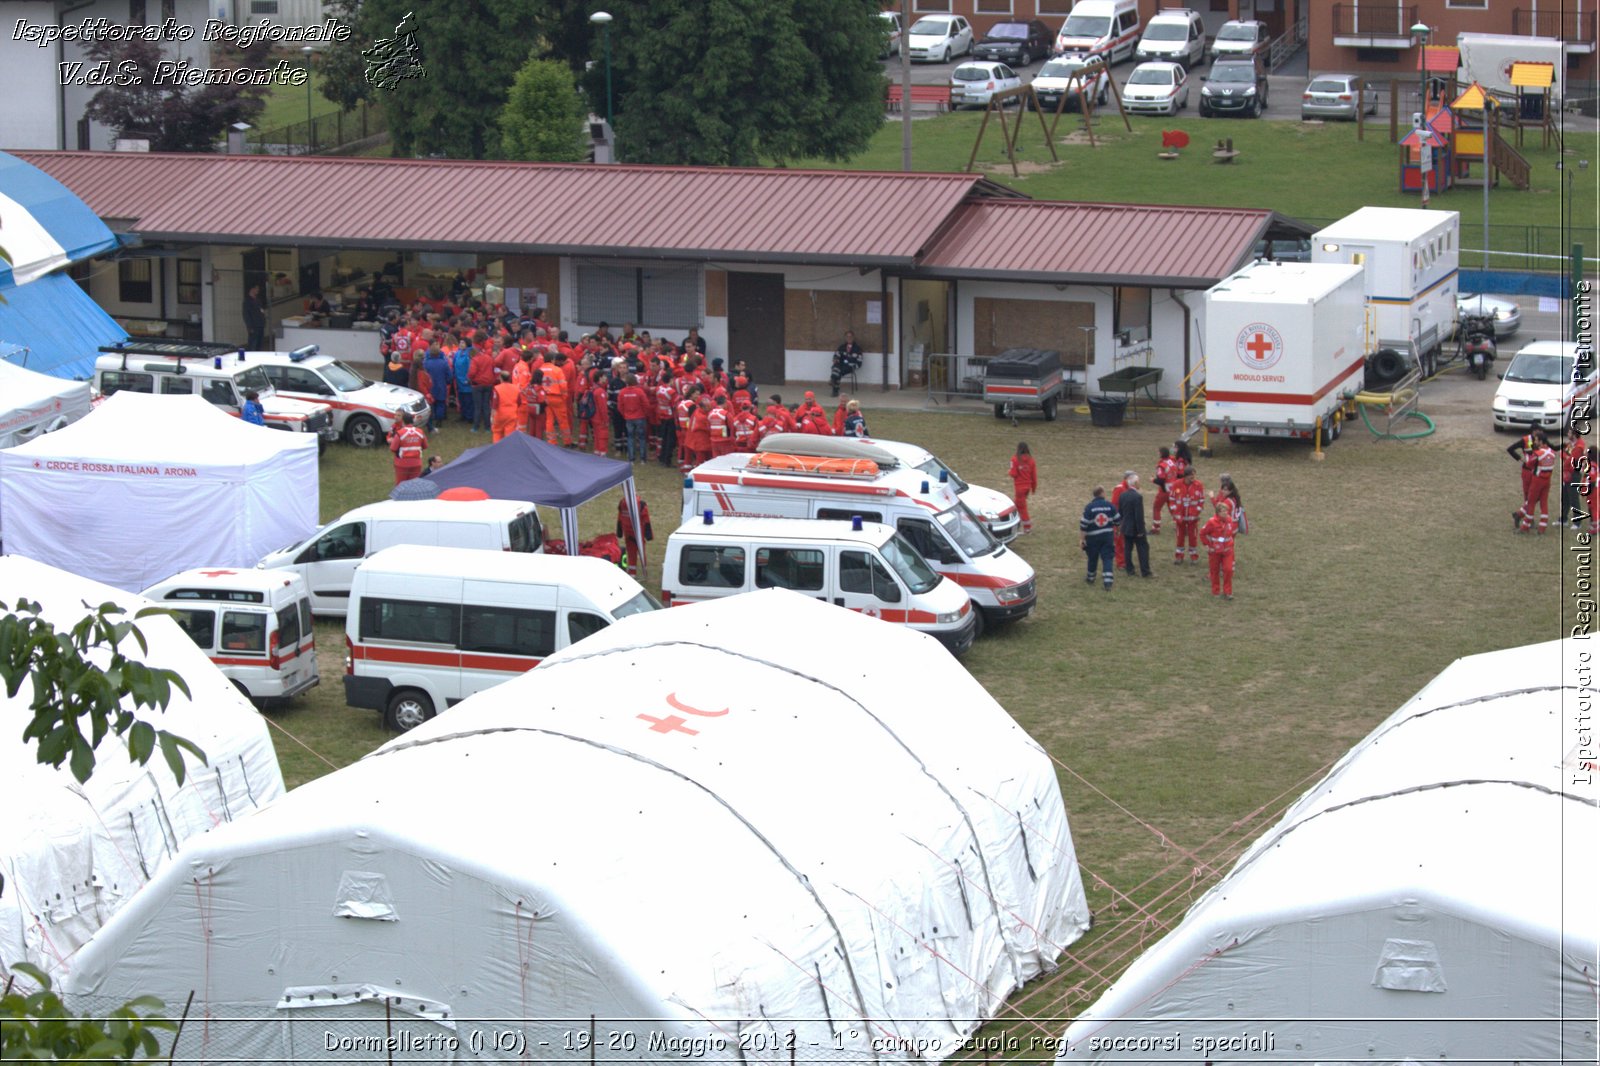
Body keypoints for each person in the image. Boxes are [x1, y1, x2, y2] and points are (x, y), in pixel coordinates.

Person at [1516, 433, 1558, 533]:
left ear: (1540, 442)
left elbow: (1529, 464)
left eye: (1536, 440)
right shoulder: (1552, 452)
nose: (1535, 442)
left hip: (1537, 480)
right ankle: (1542, 527)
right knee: (1544, 503)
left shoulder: (1538, 453)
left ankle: (1525, 527)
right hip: (1547, 481)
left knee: (1531, 502)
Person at [1080, 485, 1118, 591]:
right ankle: (1108, 581)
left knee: (1092, 557)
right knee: (1107, 558)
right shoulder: (1110, 506)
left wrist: (1082, 539)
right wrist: (1117, 531)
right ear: (1102, 493)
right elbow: (1118, 520)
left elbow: (1083, 525)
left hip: (1092, 538)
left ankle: (1090, 578)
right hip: (1107, 537)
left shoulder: (1089, 507)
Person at [1202, 499, 1239, 599]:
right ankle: (1216, 591)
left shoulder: (1230, 520)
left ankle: (1228, 592)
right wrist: (1207, 546)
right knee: (1214, 571)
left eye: (1226, 511)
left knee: (1228, 570)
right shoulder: (1211, 522)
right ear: (1218, 513)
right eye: (1223, 511)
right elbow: (1203, 534)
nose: (1226, 513)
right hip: (1215, 551)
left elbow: (1231, 533)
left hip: (1227, 550)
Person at [1118, 473, 1152, 578]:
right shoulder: (1137, 497)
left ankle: (1130, 570)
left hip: (1126, 527)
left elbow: (1120, 512)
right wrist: (1141, 531)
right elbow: (1139, 516)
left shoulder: (1122, 495)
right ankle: (1145, 571)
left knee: (1128, 549)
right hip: (1136, 529)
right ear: (1136, 482)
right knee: (1143, 549)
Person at [1170, 466, 1205, 564]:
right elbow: (1172, 499)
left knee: (1193, 537)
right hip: (1179, 517)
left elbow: (1201, 500)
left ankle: (1194, 557)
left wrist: (1197, 512)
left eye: (1194, 475)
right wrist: (1175, 512)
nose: (1193, 477)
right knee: (1179, 537)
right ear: (1186, 476)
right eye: (1191, 475)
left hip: (1193, 518)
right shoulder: (1176, 484)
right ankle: (1179, 556)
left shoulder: (1199, 485)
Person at [616, 373, 651, 462]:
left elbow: (620, 406)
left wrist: (625, 414)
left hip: (629, 418)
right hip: (640, 417)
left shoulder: (622, 392)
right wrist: (645, 413)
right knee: (642, 438)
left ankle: (631, 458)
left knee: (630, 438)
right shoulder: (639, 391)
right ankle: (643, 459)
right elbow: (646, 404)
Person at [617, 494, 653, 577]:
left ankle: (632, 572)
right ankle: (644, 569)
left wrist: (619, 532)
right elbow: (646, 519)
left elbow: (619, 518)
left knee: (631, 552)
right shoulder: (641, 504)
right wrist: (649, 535)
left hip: (628, 533)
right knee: (641, 551)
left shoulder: (622, 504)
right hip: (639, 533)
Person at [388, 412, 427, 484]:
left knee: (401, 485)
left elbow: (393, 448)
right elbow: (425, 446)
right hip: (416, 463)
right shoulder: (420, 432)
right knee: (414, 485)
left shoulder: (400, 433)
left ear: (403, 421)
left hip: (401, 463)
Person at [1508, 429, 1546, 503]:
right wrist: (1521, 459)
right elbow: (1510, 449)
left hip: (1537, 470)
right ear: (1534, 432)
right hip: (1528, 470)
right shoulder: (1525, 440)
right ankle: (1527, 509)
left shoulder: (1541, 441)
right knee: (1528, 493)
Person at [1008, 442, 1037, 535]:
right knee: (1016, 506)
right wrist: (1033, 488)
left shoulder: (1015, 459)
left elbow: (1014, 474)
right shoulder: (1031, 460)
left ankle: (1027, 528)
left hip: (1019, 488)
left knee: (1022, 508)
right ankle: (1015, 524)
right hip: (1027, 487)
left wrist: (1009, 471)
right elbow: (1034, 476)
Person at [468, 342, 497, 433]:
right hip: (488, 384)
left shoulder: (475, 360)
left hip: (478, 384)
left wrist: (470, 378)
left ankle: (476, 427)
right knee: (486, 406)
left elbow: (472, 373)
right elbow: (494, 369)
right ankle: (487, 427)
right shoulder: (489, 358)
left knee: (477, 407)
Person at [1562, 435, 1589, 528]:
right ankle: (1563, 519)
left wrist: (1565, 457)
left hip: (1574, 474)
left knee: (1574, 498)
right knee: (1565, 497)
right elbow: (1563, 454)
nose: (1568, 434)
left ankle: (1577, 522)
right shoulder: (1571, 444)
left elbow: (1570, 460)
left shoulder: (1578, 447)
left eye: (1569, 433)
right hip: (1568, 473)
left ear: (1574, 434)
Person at [1110, 471, 1134, 570]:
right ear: (1127, 478)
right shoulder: (1119, 488)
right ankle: (1120, 563)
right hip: (1120, 520)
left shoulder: (1130, 488)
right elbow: (1114, 505)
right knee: (1119, 541)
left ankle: (1125, 560)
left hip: (1127, 519)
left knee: (1125, 541)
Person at [1151, 445, 1177, 535]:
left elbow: (1161, 480)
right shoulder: (1172, 461)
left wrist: (1153, 480)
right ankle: (1179, 526)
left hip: (1164, 490)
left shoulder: (1162, 465)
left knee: (1156, 508)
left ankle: (1156, 528)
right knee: (1172, 508)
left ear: (1161, 453)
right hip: (1173, 489)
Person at [831, 331, 864, 396]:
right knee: (836, 367)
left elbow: (859, 362)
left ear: (853, 337)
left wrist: (853, 366)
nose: (849, 338)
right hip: (840, 365)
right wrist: (835, 359)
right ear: (845, 338)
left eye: (850, 336)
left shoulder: (857, 348)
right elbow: (836, 355)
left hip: (850, 366)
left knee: (836, 371)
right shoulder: (842, 347)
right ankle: (834, 382)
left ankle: (834, 386)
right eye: (847, 336)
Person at [491, 370, 520, 442]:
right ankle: (509, 450)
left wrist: (492, 416)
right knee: (509, 435)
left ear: (501, 378)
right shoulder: (516, 388)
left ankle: (497, 449)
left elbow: (495, 404)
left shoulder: (497, 388)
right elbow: (519, 402)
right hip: (512, 414)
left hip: (500, 415)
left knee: (497, 432)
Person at [243, 284, 267, 350]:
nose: (258, 290)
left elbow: (261, 310)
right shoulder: (247, 301)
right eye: (256, 288)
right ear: (252, 289)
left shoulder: (258, 300)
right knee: (252, 344)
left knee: (259, 344)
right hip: (253, 326)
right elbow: (246, 315)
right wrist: (249, 326)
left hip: (260, 325)